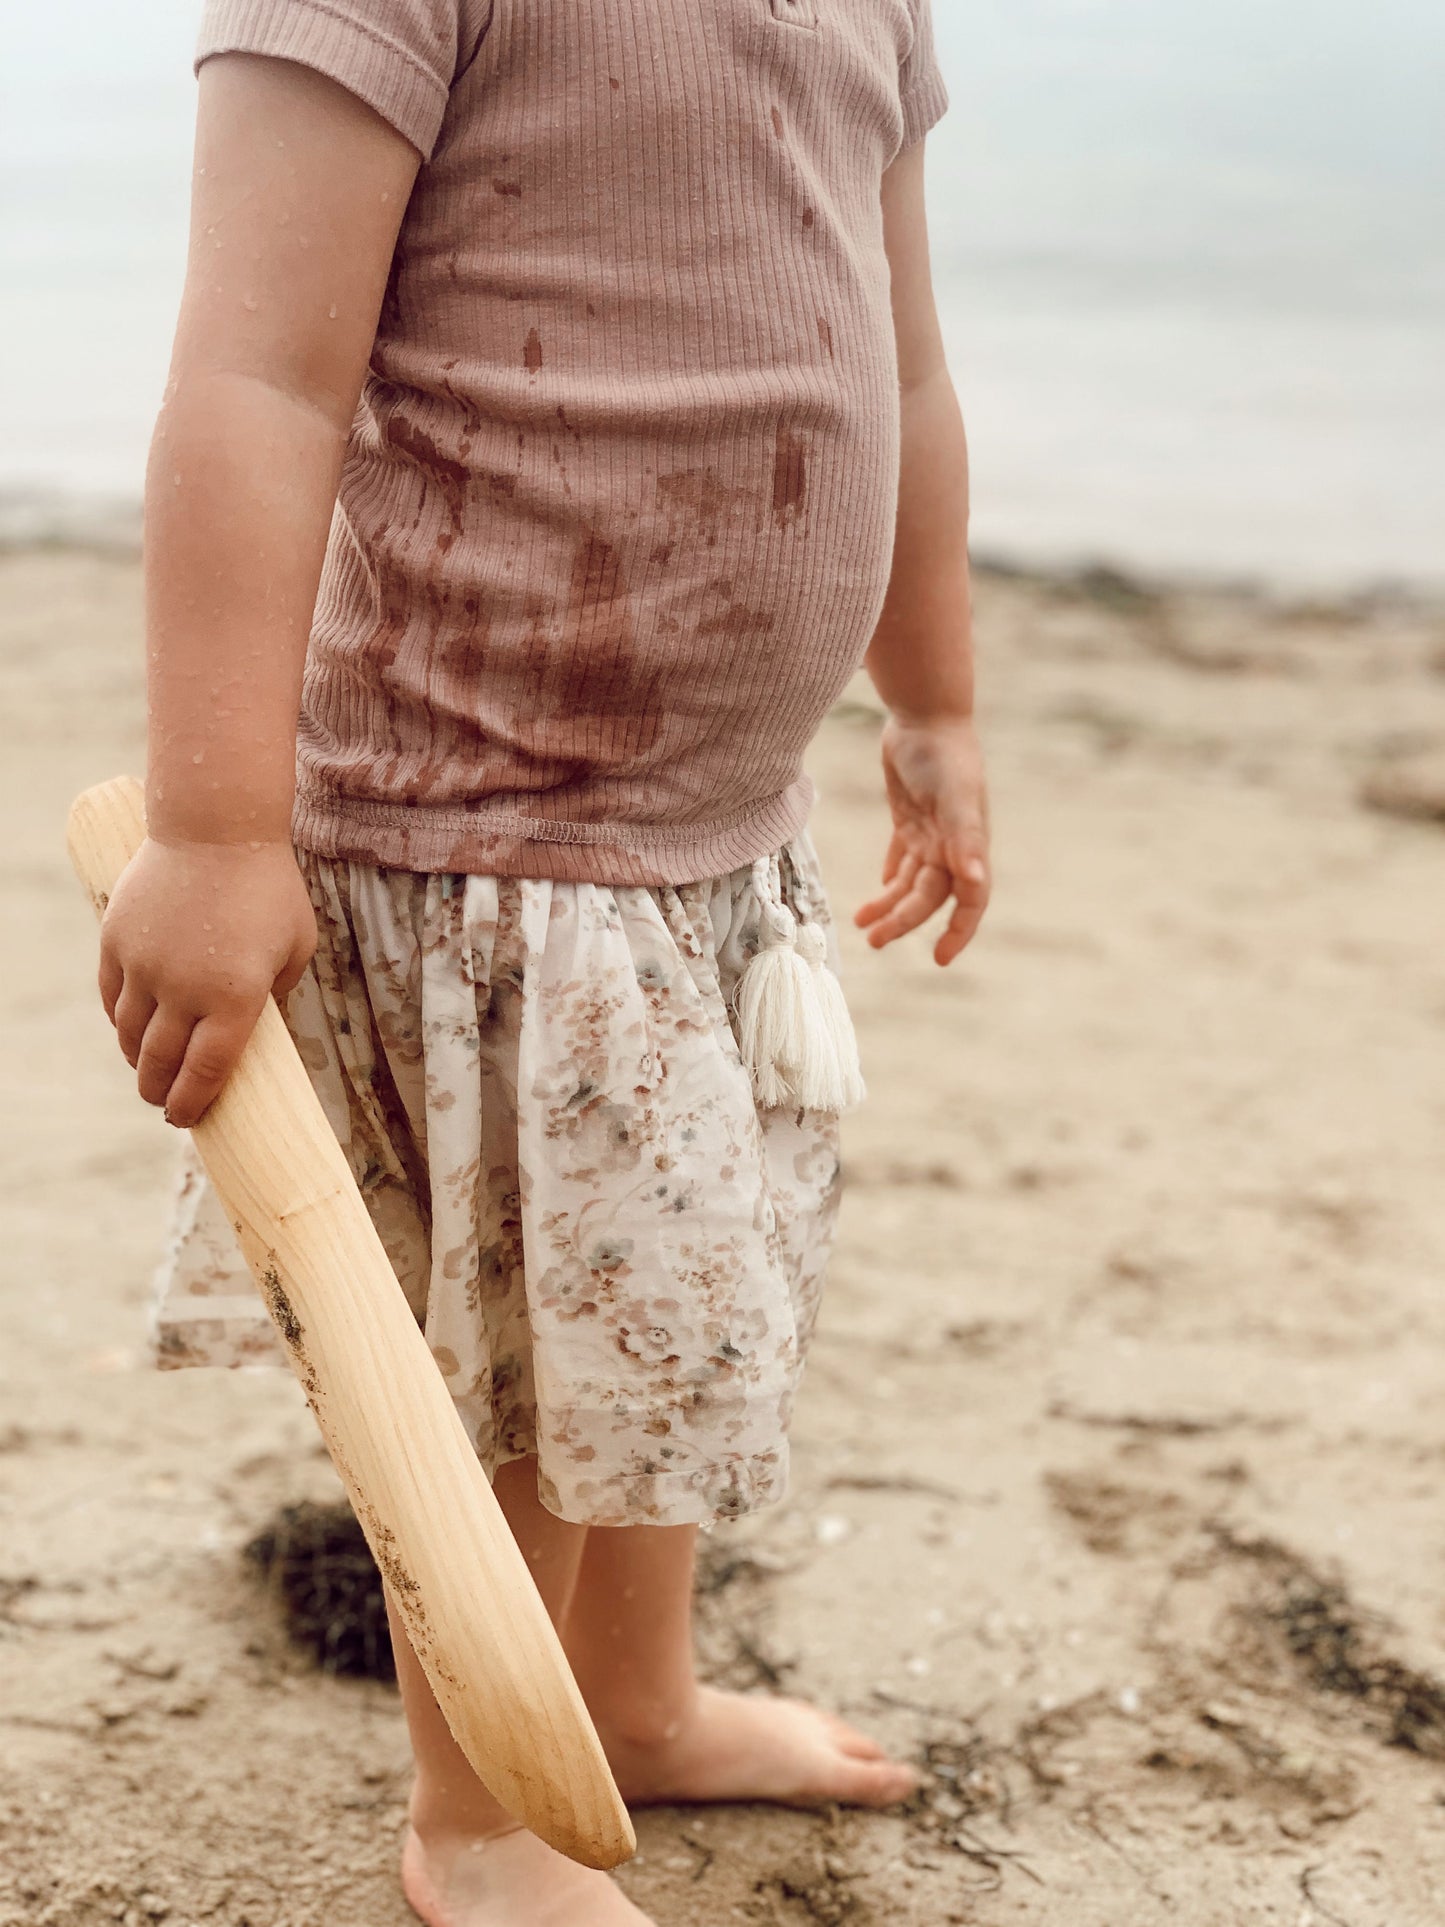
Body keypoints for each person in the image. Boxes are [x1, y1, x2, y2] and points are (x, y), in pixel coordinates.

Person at [97, 1, 989, 1920]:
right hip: (475, 820)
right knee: (511, 1355)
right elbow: (257, 380)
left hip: (723, 832)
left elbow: (899, 366)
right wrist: (221, 829)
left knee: (662, 1296)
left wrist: (935, 698)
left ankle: (633, 1703)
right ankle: (478, 1811)